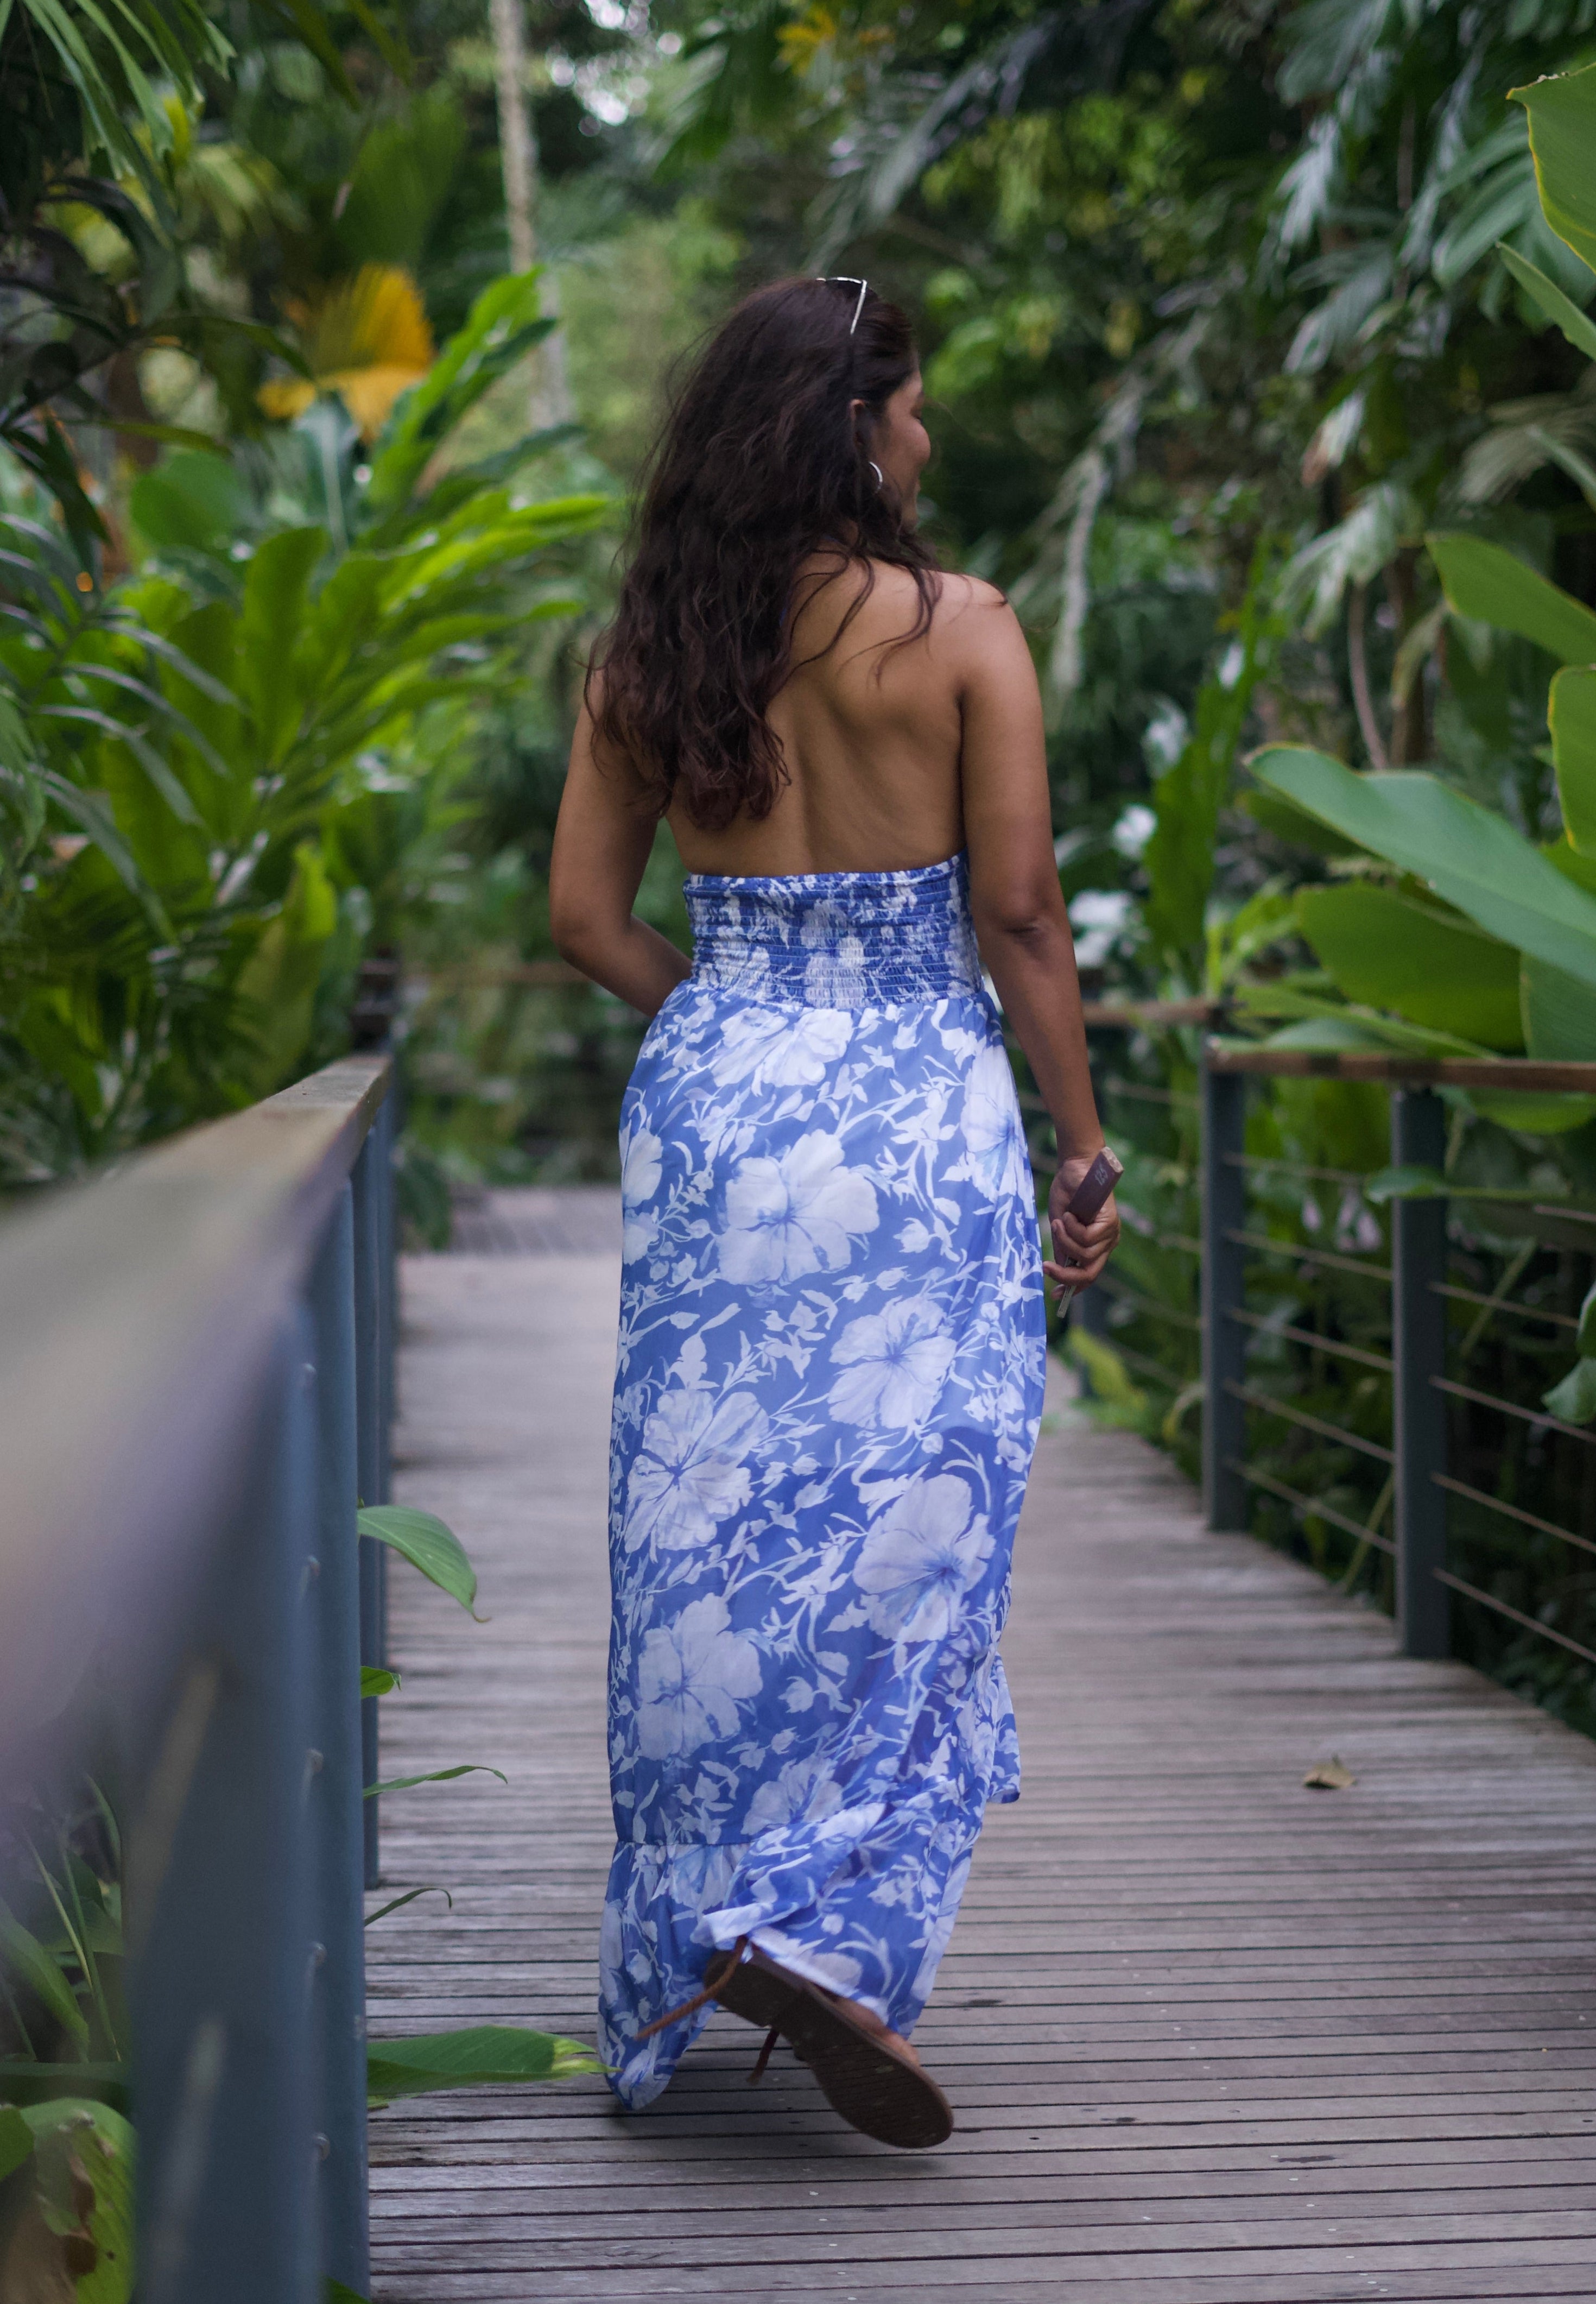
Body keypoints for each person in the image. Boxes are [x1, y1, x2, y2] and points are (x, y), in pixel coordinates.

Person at [549, 274, 1118, 2150]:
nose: (930, 438)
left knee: (707, 1519)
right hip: (915, 1114)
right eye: (916, 406)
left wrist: (726, 1027)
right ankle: (830, 1928)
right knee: (915, 1516)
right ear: (851, 428)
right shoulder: (961, 632)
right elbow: (1021, 918)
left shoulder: (646, 657)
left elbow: (581, 920)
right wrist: (1079, 1140)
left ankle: (710, 1913)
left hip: (720, 1113)